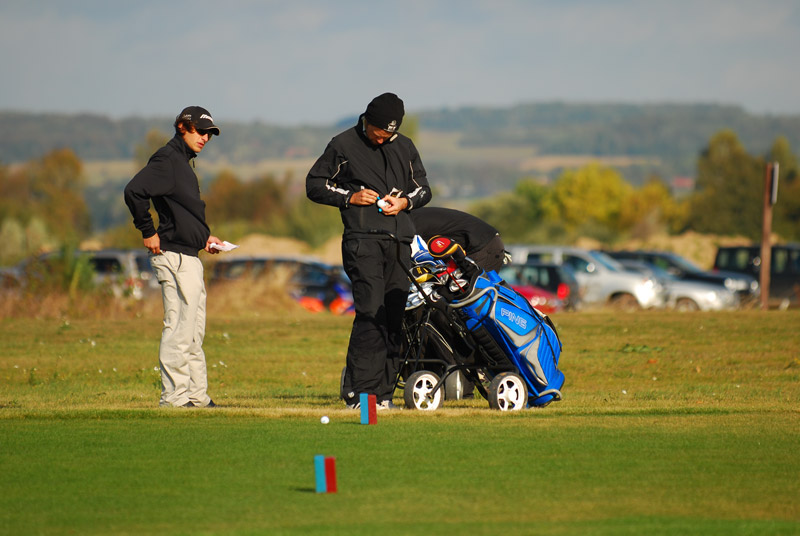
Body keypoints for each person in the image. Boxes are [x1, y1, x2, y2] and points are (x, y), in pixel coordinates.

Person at [306, 93, 432, 410]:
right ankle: (360, 394)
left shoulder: (404, 147)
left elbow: (424, 190)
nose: (384, 137)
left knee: (394, 315)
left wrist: (405, 203)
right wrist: (351, 197)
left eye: (390, 132)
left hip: (400, 243)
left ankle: (385, 393)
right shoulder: (343, 145)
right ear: (367, 120)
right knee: (370, 312)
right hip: (363, 241)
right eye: (380, 131)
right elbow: (315, 184)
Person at [124, 106, 224, 408]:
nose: (205, 137)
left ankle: (196, 396)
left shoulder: (183, 162)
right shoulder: (167, 159)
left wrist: (203, 238)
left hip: (190, 255)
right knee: (179, 328)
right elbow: (134, 191)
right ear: (183, 126)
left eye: (209, 133)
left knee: (193, 331)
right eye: (200, 131)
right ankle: (175, 398)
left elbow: (181, 213)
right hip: (174, 257)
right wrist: (147, 230)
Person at [410, 206, 509, 272]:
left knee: (473, 296)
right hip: (482, 242)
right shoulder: (410, 217)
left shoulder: (406, 223)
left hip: (482, 245)